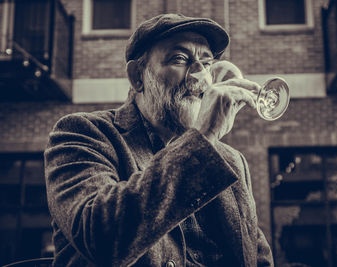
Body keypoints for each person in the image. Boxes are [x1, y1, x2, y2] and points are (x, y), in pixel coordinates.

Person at [44, 13, 274, 267]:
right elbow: (101, 238)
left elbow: (258, 258)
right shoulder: (83, 133)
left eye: (207, 63)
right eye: (180, 59)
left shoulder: (233, 160)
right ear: (137, 77)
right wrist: (203, 139)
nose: (200, 76)